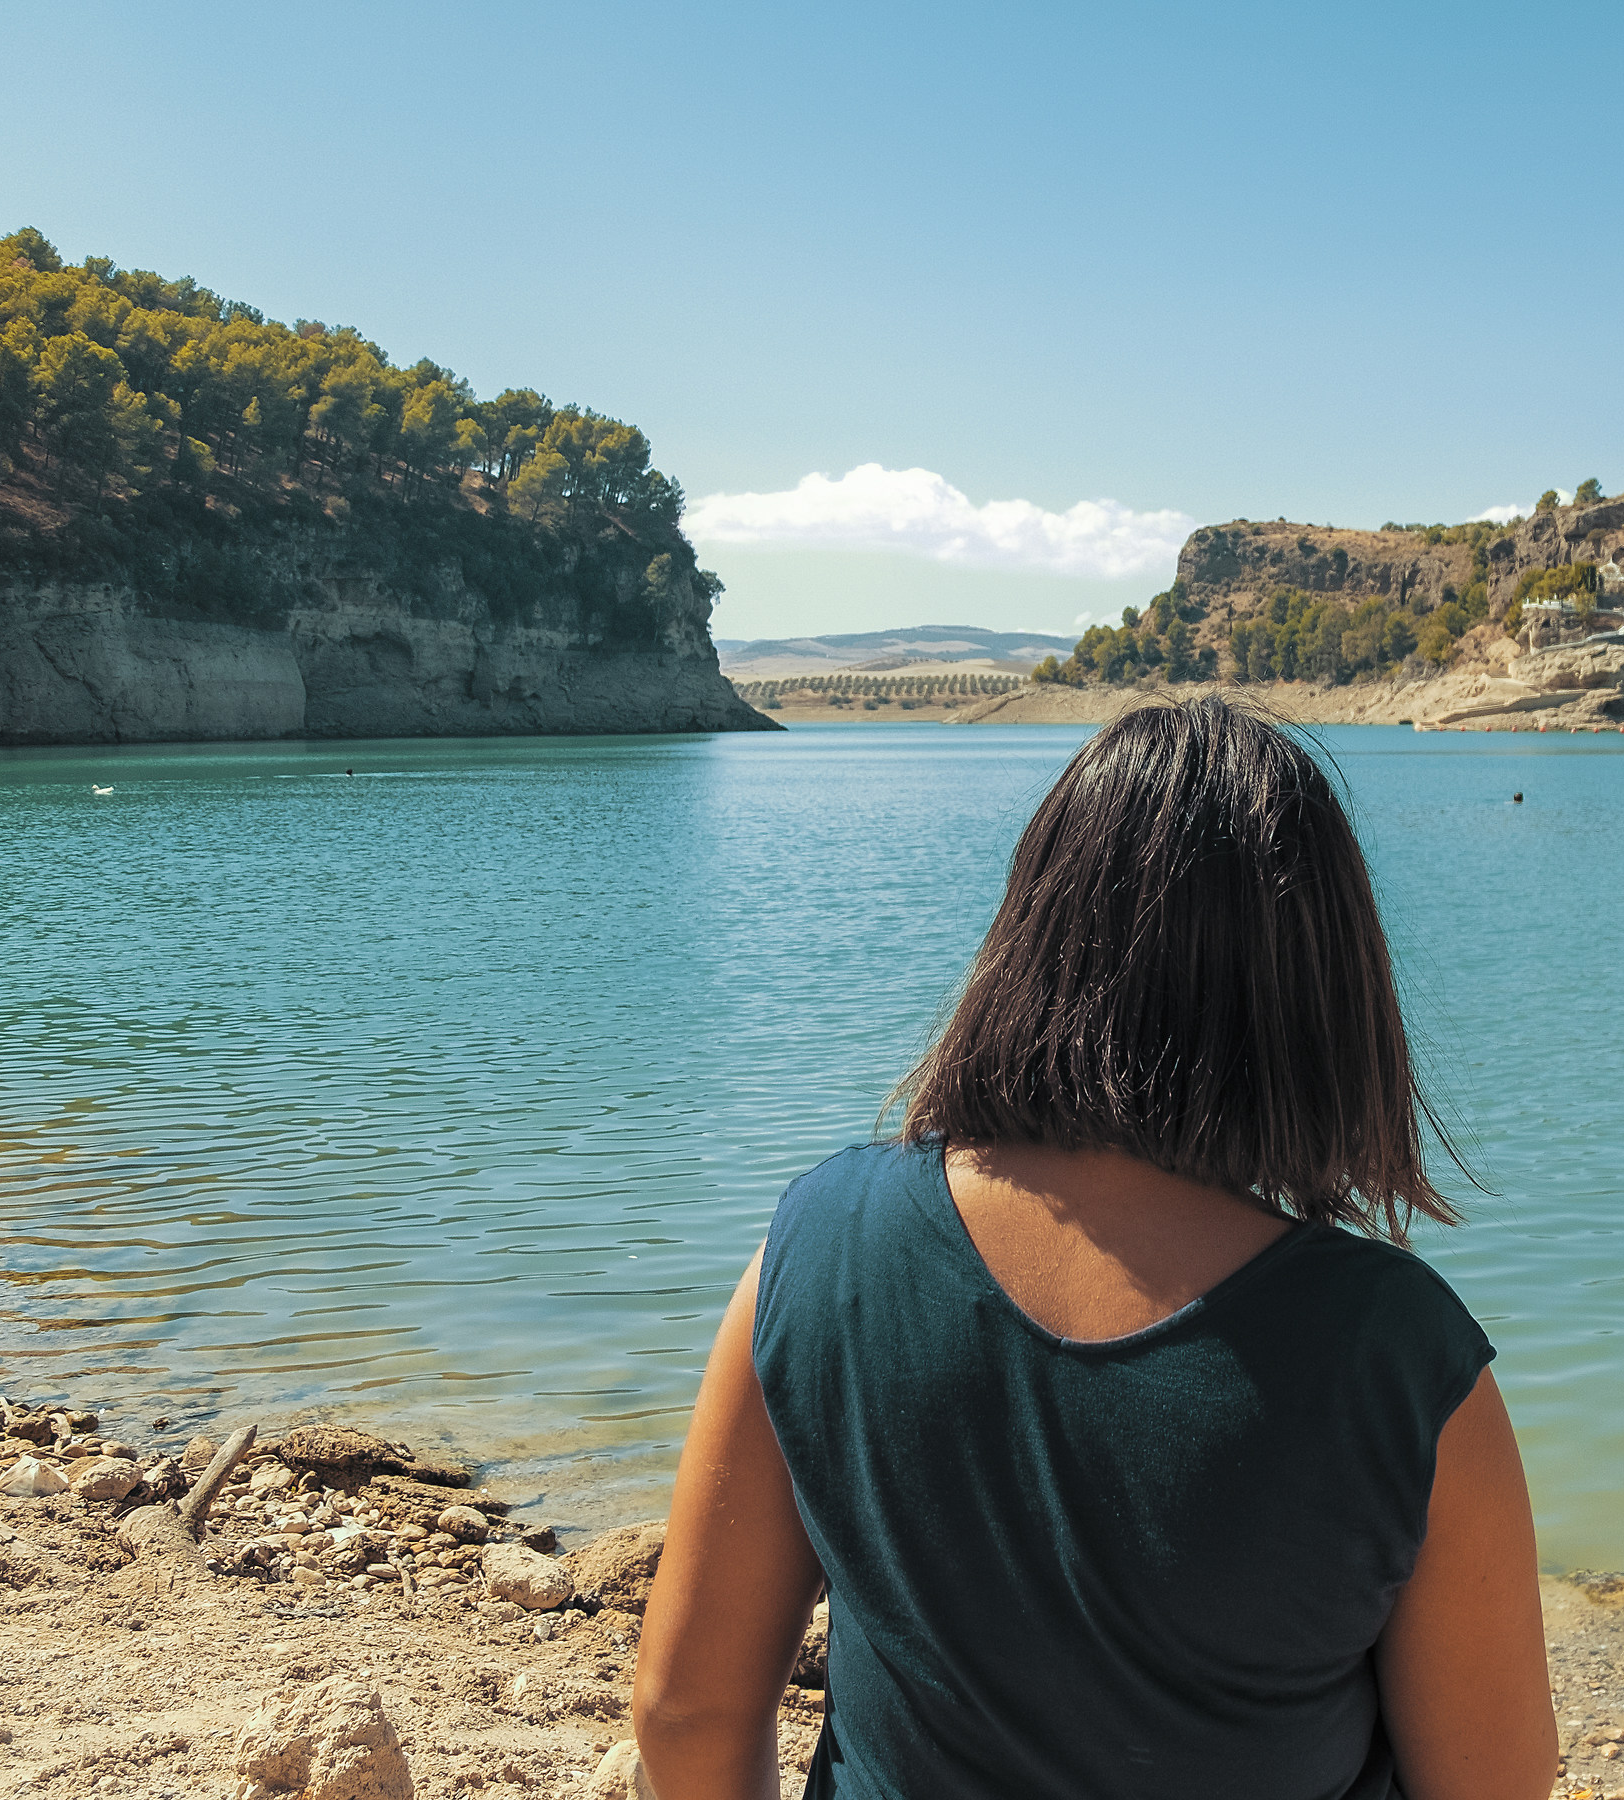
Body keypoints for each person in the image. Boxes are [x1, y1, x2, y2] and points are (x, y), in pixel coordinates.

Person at [634, 698, 1556, 1800]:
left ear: (1031, 938)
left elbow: (684, 1713)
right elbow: (1493, 1786)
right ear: (1325, 993)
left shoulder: (821, 1244)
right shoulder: (1400, 1358)